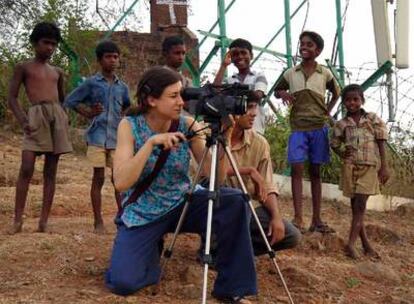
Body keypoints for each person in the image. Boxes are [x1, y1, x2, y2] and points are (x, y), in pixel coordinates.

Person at [105, 66, 257, 303]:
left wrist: (225, 135)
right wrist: (151, 144)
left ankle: (232, 288)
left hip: (182, 203)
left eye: (182, 95)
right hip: (144, 212)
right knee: (123, 283)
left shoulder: (189, 124)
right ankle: (150, 250)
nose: (181, 102)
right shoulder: (130, 125)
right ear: (151, 100)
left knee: (234, 201)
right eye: (174, 96)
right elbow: (122, 182)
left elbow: (214, 179)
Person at [7, 22, 72, 233]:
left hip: (56, 119)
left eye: (53, 44)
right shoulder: (23, 67)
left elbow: (63, 100)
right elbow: (12, 97)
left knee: (50, 172)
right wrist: (23, 120)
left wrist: (65, 116)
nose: (50, 48)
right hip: (35, 117)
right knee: (26, 167)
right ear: (35, 43)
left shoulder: (57, 72)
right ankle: (17, 220)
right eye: (46, 43)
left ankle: (44, 221)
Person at [274, 31, 340, 234]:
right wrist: (283, 92)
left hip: (318, 127)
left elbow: (337, 92)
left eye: (309, 45)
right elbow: (276, 90)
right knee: (296, 169)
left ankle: (317, 219)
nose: (304, 47)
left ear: (317, 50)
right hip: (298, 128)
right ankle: (298, 217)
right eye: (302, 44)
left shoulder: (325, 73)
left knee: (315, 172)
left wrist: (327, 111)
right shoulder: (290, 73)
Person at [65, 40, 131, 234]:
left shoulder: (122, 87)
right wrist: (88, 113)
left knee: (118, 179)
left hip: (116, 138)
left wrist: (123, 117)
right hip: (96, 136)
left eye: (115, 57)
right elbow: (71, 100)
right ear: (100, 60)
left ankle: (122, 218)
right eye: (108, 57)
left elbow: (127, 104)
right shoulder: (92, 83)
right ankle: (98, 221)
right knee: (99, 177)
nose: (112, 60)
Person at [226, 100, 301, 255]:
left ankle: (237, 253)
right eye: (247, 108)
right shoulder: (209, 136)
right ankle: (218, 250)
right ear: (231, 110)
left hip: (247, 208)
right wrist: (248, 170)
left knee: (290, 235)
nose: (254, 113)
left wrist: (276, 216)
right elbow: (207, 172)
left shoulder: (259, 143)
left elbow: (267, 186)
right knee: (237, 204)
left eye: (254, 107)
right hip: (216, 204)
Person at [331, 84, 389, 259]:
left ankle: (350, 244)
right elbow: (334, 143)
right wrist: (342, 152)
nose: (352, 103)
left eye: (355, 99)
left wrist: (384, 166)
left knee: (360, 206)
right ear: (343, 103)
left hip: (369, 167)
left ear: (362, 100)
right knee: (356, 208)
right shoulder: (342, 124)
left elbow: (381, 141)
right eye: (348, 100)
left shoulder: (372, 119)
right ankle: (366, 246)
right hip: (350, 168)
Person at [214, 38, 268, 134]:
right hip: (235, 132)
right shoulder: (229, 80)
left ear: (251, 55)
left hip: (255, 131)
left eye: (243, 53)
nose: (240, 57)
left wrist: (234, 91)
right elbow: (215, 92)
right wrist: (224, 65)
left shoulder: (259, 76)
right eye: (235, 54)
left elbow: (258, 96)